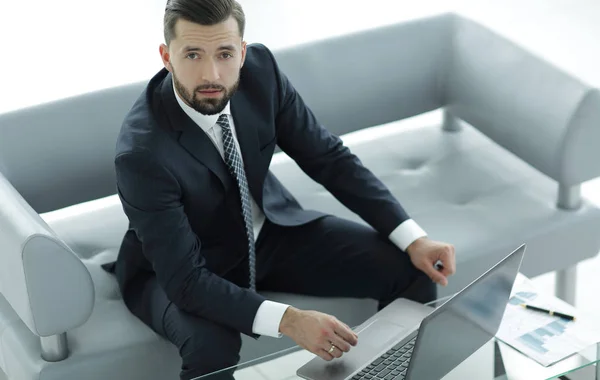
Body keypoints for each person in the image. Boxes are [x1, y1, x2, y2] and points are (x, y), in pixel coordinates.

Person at [107, 0, 456, 378]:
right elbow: (187, 281)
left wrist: (414, 238)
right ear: (166, 56)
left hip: (270, 234)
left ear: (241, 52)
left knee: (415, 269)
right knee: (212, 348)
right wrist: (289, 320)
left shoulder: (262, 74)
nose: (211, 74)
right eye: (192, 54)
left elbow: (329, 158)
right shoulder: (142, 153)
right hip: (182, 268)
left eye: (224, 54)